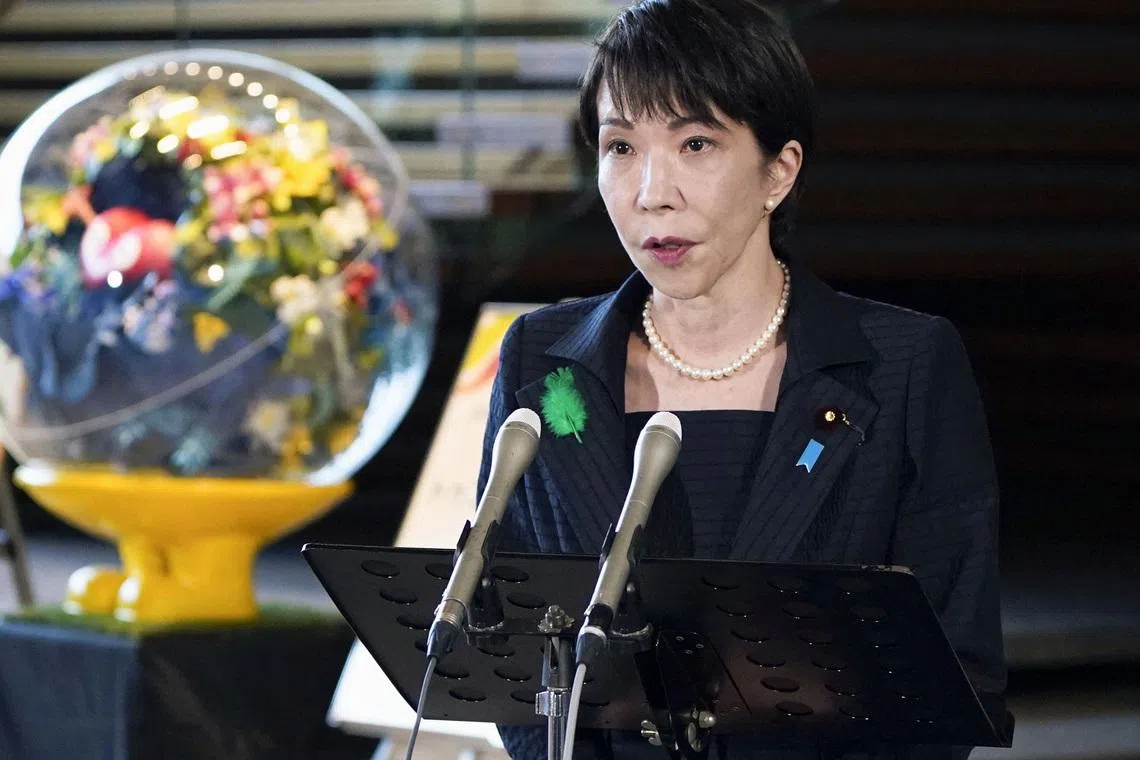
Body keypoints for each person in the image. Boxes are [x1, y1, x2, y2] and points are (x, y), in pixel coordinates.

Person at [476, 1, 1006, 757]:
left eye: (696, 143)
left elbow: (958, 673)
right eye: (620, 146)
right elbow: (518, 657)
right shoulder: (542, 359)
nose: (652, 191)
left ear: (778, 172)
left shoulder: (905, 367)